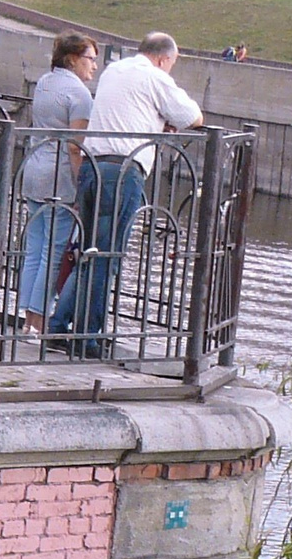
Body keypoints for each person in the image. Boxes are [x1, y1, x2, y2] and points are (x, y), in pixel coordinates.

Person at [51, 31, 203, 358]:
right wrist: (168, 119)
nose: (169, 71)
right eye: (171, 65)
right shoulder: (154, 76)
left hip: (93, 166)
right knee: (107, 257)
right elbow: (192, 116)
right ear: (164, 59)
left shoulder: (115, 70)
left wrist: (157, 118)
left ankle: (58, 325)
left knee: (90, 253)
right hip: (121, 173)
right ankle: (88, 339)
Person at [17, 32, 99, 332]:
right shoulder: (79, 95)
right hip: (59, 178)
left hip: (34, 169)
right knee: (52, 253)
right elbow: (76, 146)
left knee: (34, 249)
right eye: (90, 59)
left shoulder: (45, 82)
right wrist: (80, 186)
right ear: (72, 59)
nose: (93, 66)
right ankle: (39, 323)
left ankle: (26, 320)